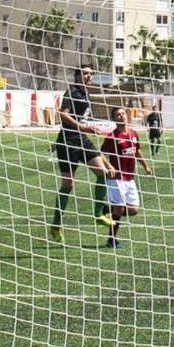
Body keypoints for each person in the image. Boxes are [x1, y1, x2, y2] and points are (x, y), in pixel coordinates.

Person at [48, 69, 105, 241]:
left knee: (104, 173)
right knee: (68, 185)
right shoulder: (72, 91)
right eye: (85, 73)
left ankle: (98, 214)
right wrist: (81, 128)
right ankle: (56, 225)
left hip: (82, 139)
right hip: (68, 142)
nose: (89, 76)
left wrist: (84, 128)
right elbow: (63, 113)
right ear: (77, 76)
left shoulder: (86, 93)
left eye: (91, 73)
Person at [97, 110, 152, 249]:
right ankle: (112, 239)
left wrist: (146, 166)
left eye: (123, 113)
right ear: (114, 119)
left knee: (133, 210)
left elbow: (137, 151)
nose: (121, 116)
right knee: (120, 209)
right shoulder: (112, 136)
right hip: (116, 178)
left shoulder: (133, 133)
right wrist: (109, 166)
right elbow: (100, 153)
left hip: (130, 177)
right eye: (118, 115)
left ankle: (107, 208)